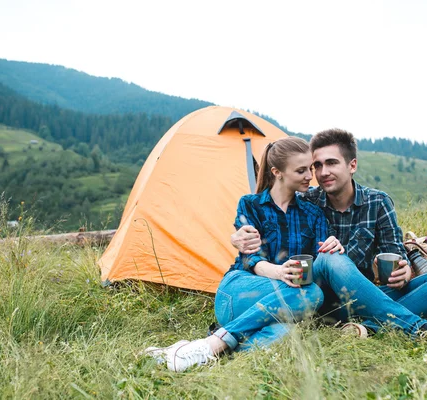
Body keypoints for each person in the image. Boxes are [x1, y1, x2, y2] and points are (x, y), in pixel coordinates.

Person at [231, 128, 427, 344]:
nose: (322, 172)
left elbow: (395, 250)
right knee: (330, 259)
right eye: (317, 165)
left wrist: (404, 269)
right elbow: (271, 213)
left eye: (332, 163)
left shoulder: (378, 202)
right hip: (324, 299)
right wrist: (236, 238)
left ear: (352, 165)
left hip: (367, 293)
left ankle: (366, 327)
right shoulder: (307, 201)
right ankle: (422, 331)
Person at [145, 136, 351, 372]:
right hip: (240, 291)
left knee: (288, 331)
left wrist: (333, 247)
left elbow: (321, 260)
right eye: (301, 170)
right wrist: (279, 272)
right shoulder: (250, 205)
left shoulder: (313, 213)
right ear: (277, 172)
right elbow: (249, 258)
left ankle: (195, 350)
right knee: (310, 293)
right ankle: (214, 343)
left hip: (285, 302)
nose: (310, 176)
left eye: (310, 169)